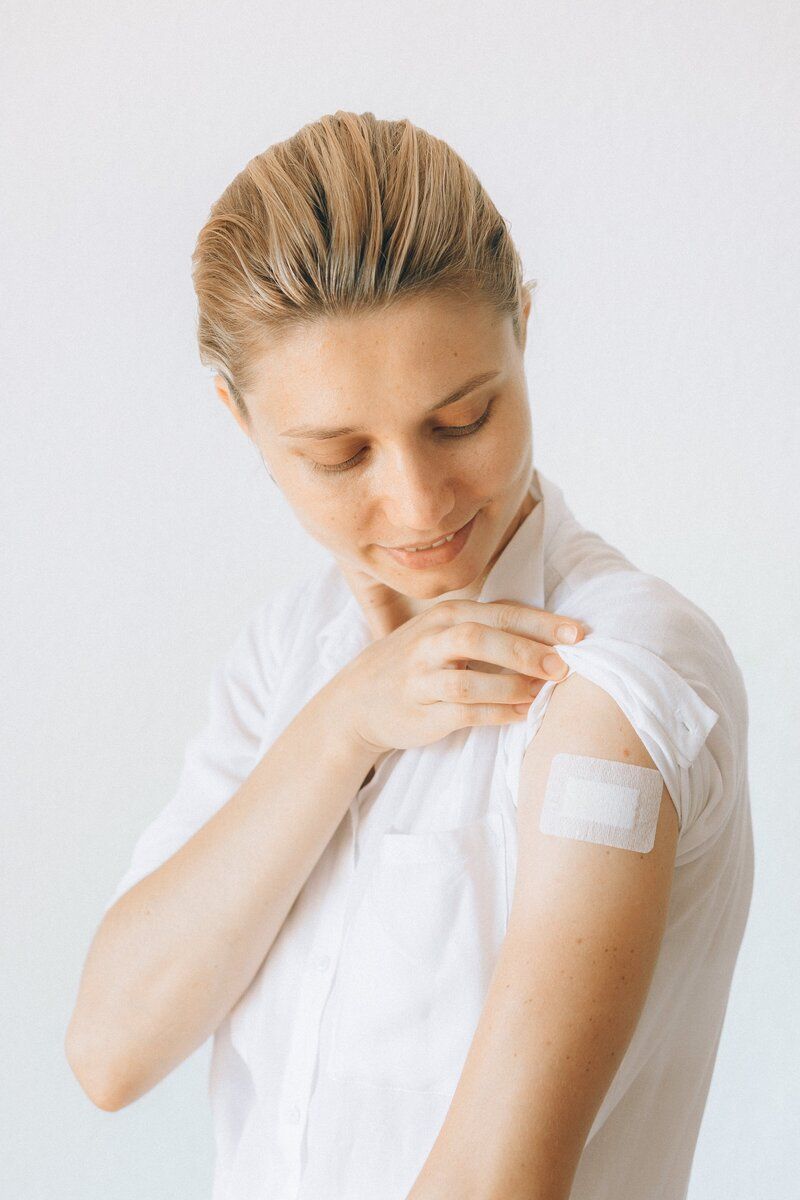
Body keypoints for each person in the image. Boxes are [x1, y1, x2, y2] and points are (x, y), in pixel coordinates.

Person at [66, 112, 754, 1200]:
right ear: (241, 425)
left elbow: (497, 1182)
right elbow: (111, 1050)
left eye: (461, 419)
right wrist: (343, 725)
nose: (419, 502)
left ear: (520, 332)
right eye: (338, 454)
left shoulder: (611, 669)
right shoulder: (290, 658)